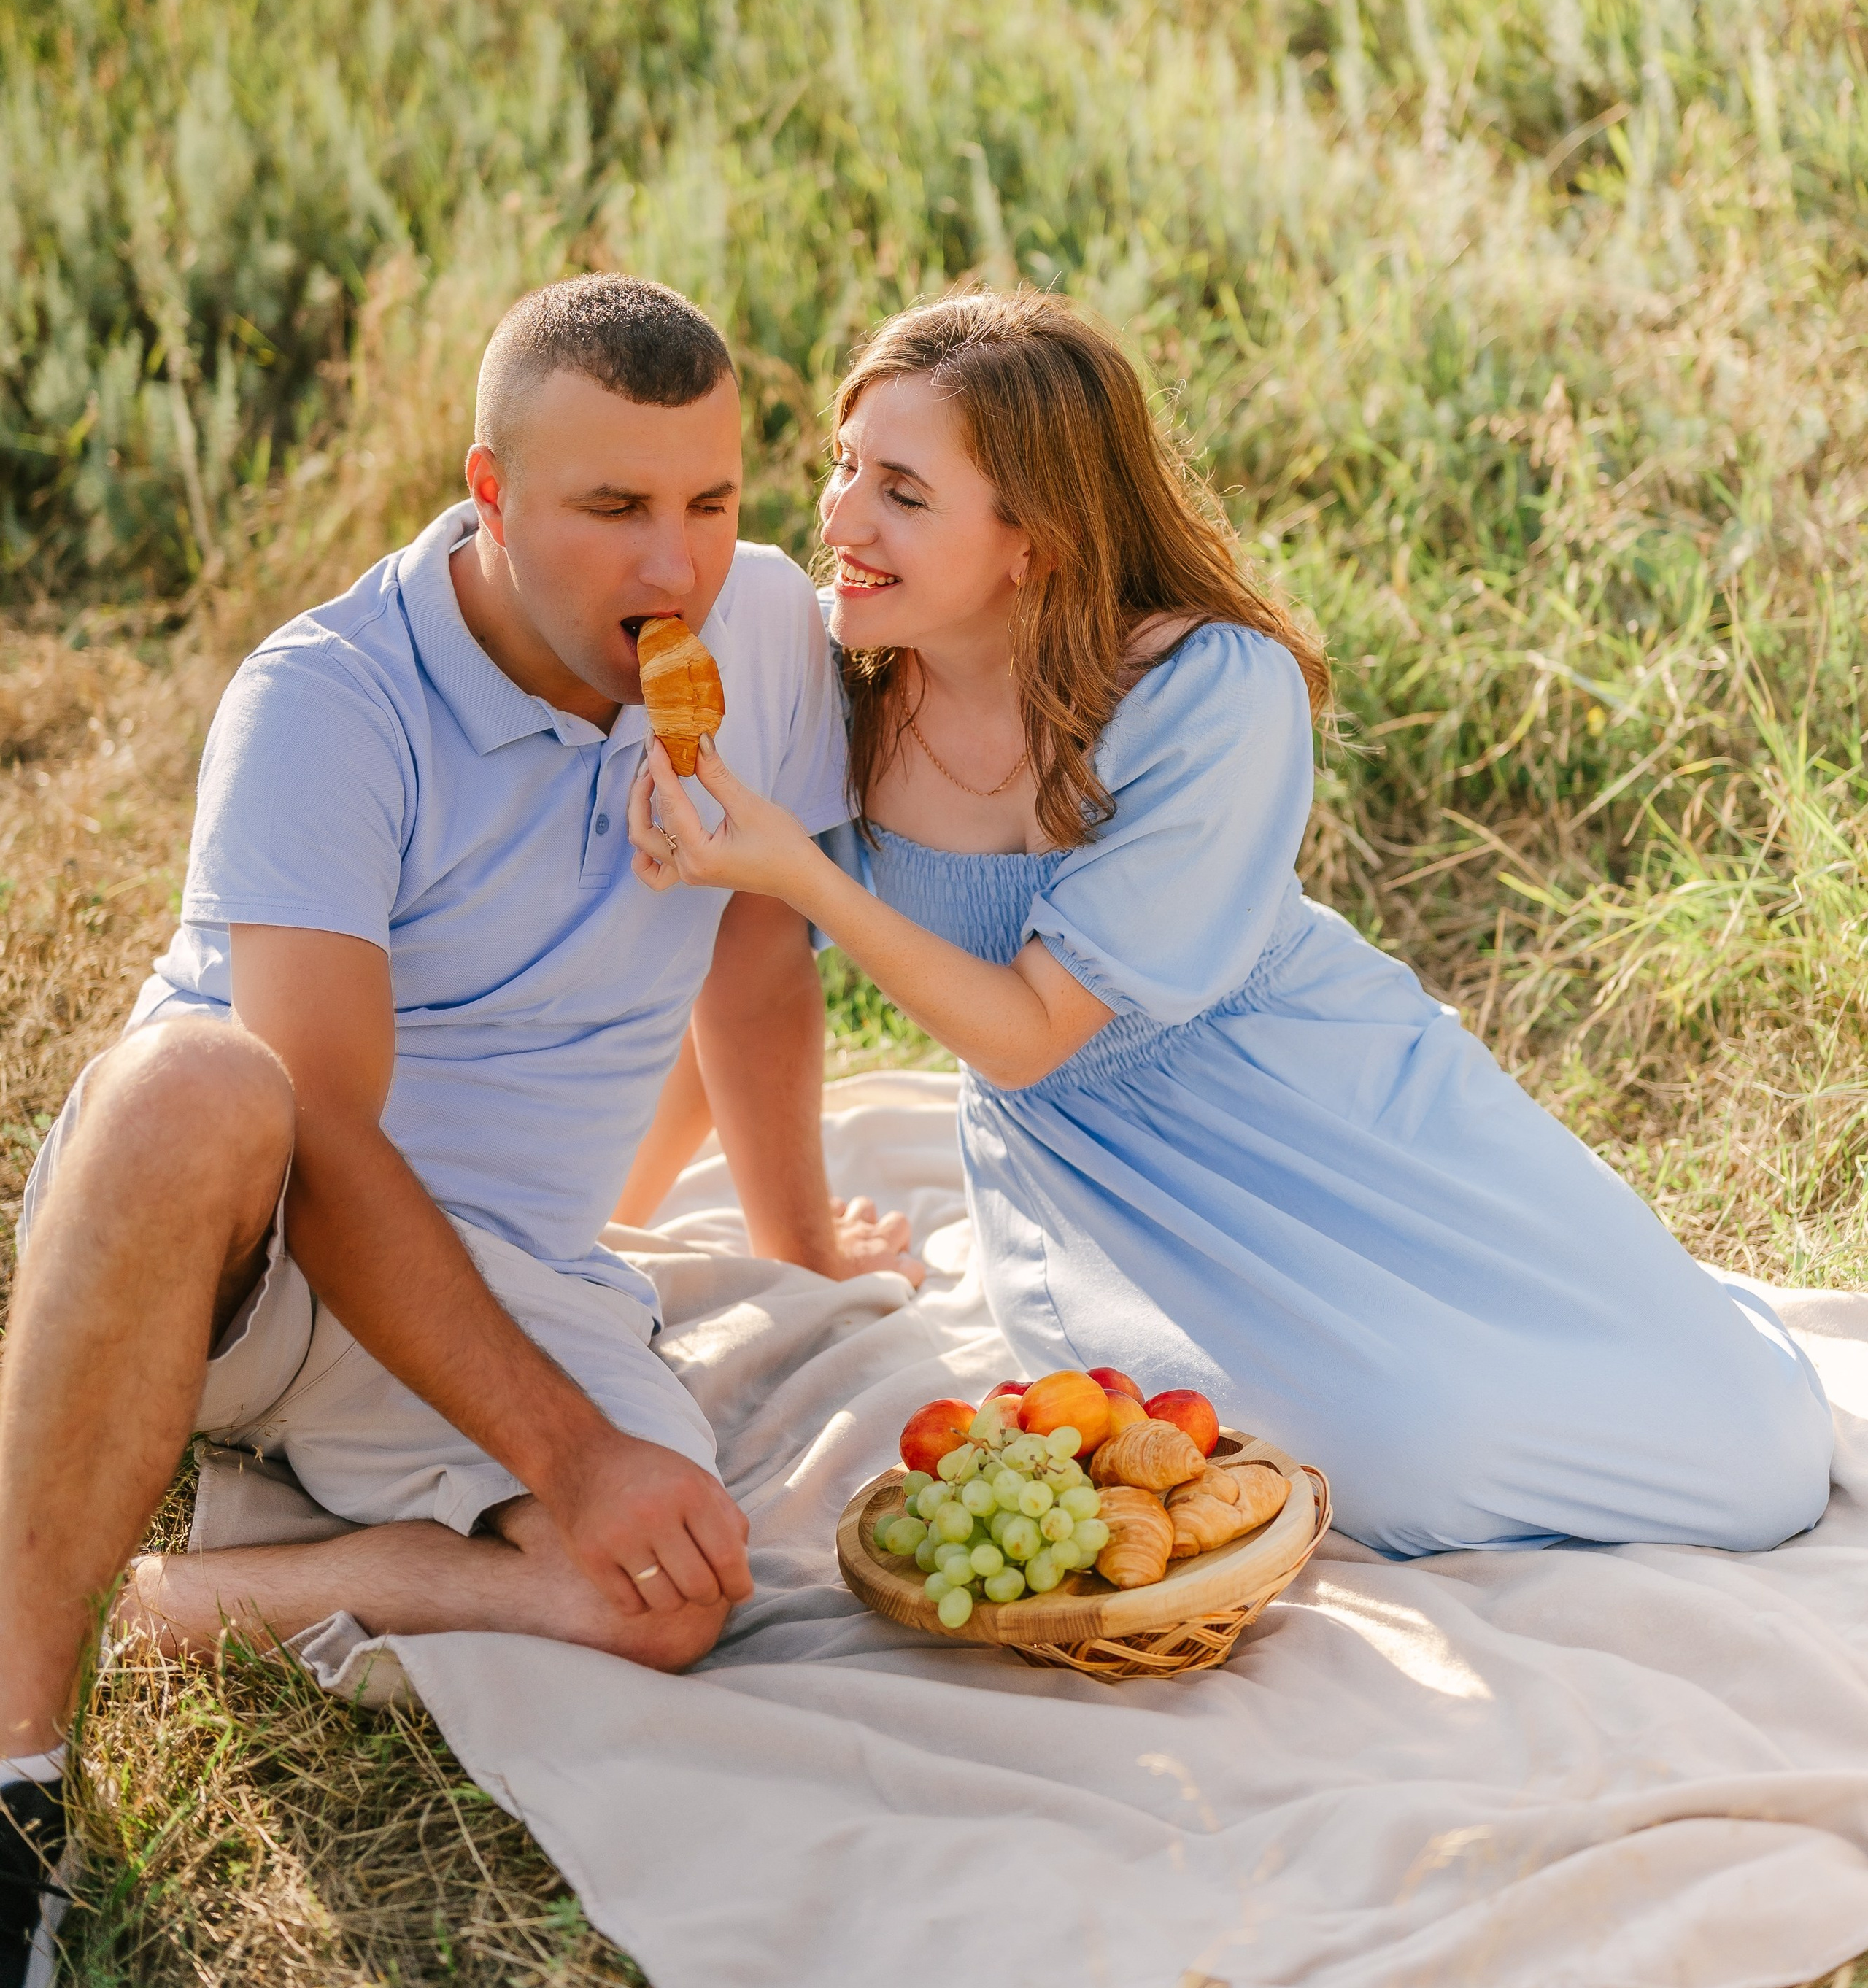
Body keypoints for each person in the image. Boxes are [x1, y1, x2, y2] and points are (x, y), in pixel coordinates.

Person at [0, 272, 914, 1988]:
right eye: (612, 510)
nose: (675, 564)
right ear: (489, 495)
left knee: (666, 1595)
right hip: (240, 1258)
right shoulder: (329, 702)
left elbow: (751, 953)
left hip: (514, 1271)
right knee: (193, 1080)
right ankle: (17, 1754)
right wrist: (566, 1452)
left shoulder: (762, 642)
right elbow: (324, 1137)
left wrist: (801, 1253)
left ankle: (171, 1592)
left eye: (711, 502)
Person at [630, 286, 1835, 1570]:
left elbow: (1034, 1025)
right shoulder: (831, 682)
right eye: (843, 466)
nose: (840, 519)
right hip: (1092, 1180)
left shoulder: (1208, 691)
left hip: (1327, 1096)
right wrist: (621, 1233)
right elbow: (744, 978)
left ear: (1032, 537)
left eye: (903, 494)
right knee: (1405, 1462)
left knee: (1756, 1452)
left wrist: (811, 882)